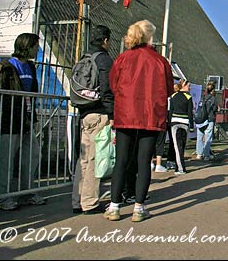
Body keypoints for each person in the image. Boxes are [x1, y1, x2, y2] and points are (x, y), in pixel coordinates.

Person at [104, 20, 174, 222]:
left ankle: (115, 206)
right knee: (144, 162)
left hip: (125, 114)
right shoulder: (160, 61)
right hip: (150, 115)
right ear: (151, 36)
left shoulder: (123, 58)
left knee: (121, 161)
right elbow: (169, 89)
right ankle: (139, 207)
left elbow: (113, 85)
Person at [0, 33, 46, 210]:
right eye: (35, 45)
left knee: (33, 155)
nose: (37, 49)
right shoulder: (7, 67)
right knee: (6, 160)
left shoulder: (30, 66)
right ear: (26, 46)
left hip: (26, 120)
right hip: (9, 120)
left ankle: (26, 193)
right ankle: (3, 198)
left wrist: (32, 116)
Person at [71, 25, 114, 214]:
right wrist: (111, 113)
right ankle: (90, 202)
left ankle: (77, 200)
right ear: (105, 40)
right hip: (99, 113)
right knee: (96, 158)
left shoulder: (84, 57)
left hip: (84, 112)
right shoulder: (103, 59)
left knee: (84, 159)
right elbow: (107, 89)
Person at [168, 78, 193, 174]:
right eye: (189, 86)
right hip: (185, 122)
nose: (189, 88)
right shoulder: (188, 97)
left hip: (175, 122)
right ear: (184, 85)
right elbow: (190, 113)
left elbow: (171, 111)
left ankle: (180, 168)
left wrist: (170, 123)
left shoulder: (173, 96)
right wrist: (191, 126)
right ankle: (181, 168)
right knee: (182, 145)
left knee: (177, 146)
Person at [196, 82, 218, 161]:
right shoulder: (213, 98)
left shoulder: (202, 97)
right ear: (213, 90)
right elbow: (215, 109)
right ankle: (206, 155)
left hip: (201, 119)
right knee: (208, 137)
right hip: (209, 119)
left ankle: (199, 153)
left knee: (200, 136)